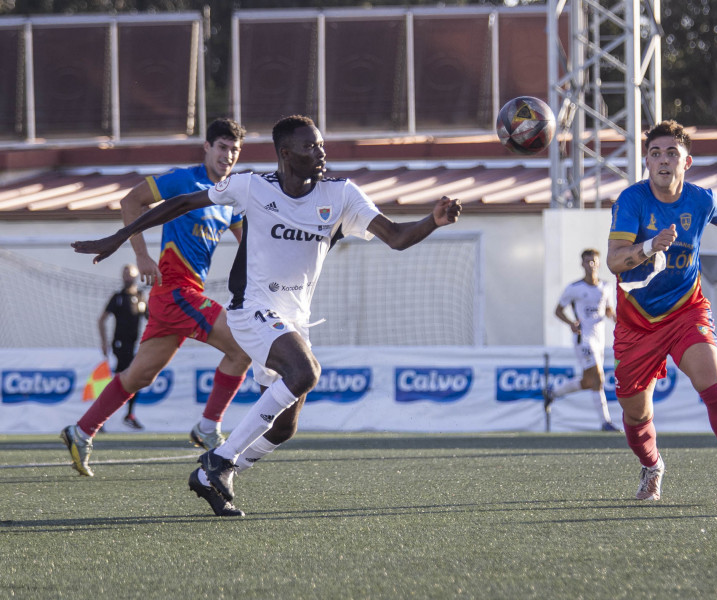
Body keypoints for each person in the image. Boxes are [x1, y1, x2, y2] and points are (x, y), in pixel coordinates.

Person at [72, 114, 462, 517]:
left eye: (322, 144)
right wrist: (122, 237)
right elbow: (183, 202)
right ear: (285, 153)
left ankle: (212, 475)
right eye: (310, 146)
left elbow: (396, 237)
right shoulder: (252, 186)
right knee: (306, 372)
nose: (321, 152)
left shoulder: (343, 194)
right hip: (251, 311)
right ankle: (218, 458)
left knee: (283, 428)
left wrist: (432, 222)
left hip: (293, 320)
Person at [61, 118, 252, 481]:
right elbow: (131, 201)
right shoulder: (183, 179)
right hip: (175, 291)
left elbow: (251, 247)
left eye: (235, 150)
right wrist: (142, 256)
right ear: (207, 148)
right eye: (222, 147)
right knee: (242, 346)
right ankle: (208, 428)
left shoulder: (232, 195)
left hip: (182, 296)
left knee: (139, 376)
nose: (228, 155)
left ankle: (81, 431)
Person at [607, 119, 717, 501]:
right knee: (635, 412)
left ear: (687, 162)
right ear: (646, 162)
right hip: (637, 321)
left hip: (686, 310)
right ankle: (652, 466)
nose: (663, 160)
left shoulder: (701, 199)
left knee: (713, 385)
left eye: (671, 153)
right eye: (655, 153)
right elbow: (615, 262)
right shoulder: (631, 200)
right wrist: (650, 247)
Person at [545, 248, 619, 431]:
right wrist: (571, 323)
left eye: (594, 261)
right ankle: (605, 422)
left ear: (599, 263)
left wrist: (613, 316)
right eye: (587, 261)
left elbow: (608, 309)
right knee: (599, 379)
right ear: (582, 264)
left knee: (588, 382)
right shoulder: (574, 288)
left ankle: (552, 393)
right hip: (583, 339)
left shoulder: (606, 287)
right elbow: (558, 311)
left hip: (600, 338)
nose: (591, 265)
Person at [98, 264, 148, 430]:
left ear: (135, 276)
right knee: (124, 380)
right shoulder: (118, 297)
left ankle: (127, 414)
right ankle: (102, 417)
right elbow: (101, 319)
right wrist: (104, 342)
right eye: (124, 274)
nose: (126, 277)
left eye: (129, 274)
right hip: (120, 345)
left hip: (135, 345)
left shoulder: (141, 296)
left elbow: (151, 319)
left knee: (134, 380)